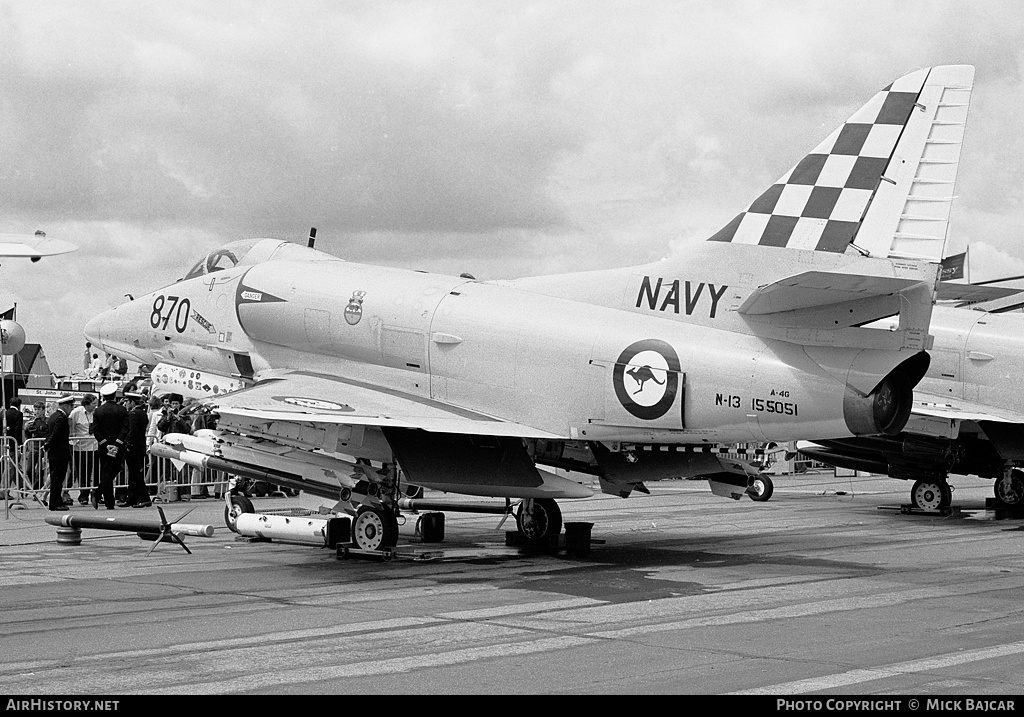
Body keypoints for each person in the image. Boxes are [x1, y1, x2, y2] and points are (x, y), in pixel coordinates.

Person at [91, 383, 128, 510]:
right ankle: (105, 498)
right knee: (115, 469)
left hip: (104, 446)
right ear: (114, 395)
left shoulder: (98, 411)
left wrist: (106, 444)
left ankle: (103, 496)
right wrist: (117, 443)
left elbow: (96, 430)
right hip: (119, 445)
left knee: (106, 472)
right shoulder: (122, 410)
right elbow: (125, 428)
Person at [119, 391, 151, 508]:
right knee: (134, 474)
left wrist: (127, 444)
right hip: (140, 446)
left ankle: (144, 498)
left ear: (132, 402)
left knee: (135, 474)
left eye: (127, 401)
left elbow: (131, 431)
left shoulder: (132, 414)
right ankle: (131, 498)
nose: (126, 404)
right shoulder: (142, 413)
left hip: (133, 447)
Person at [44, 394, 74, 511]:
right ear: (66, 406)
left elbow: (49, 433)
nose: (71, 409)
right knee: (58, 479)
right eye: (71, 406)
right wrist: (48, 444)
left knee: (56, 478)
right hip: (59, 453)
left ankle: (57, 501)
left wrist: (47, 444)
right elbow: (55, 435)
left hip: (54, 453)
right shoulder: (61, 418)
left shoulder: (53, 416)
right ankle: (55, 503)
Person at [68, 394, 98, 505]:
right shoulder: (76, 412)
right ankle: (83, 495)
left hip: (94, 446)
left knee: (95, 472)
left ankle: (96, 494)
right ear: (86, 404)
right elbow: (71, 427)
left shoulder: (96, 412)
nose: (95, 406)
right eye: (93, 404)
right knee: (83, 473)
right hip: (80, 448)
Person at [23, 401, 49, 490]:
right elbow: (27, 436)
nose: (37, 411)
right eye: (35, 409)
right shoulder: (31, 421)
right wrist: (27, 429)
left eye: (39, 409)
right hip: (33, 448)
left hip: (43, 448)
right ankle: (36, 487)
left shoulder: (47, 421)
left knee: (40, 471)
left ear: (43, 410)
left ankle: (37, 490)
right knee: (28, 470)